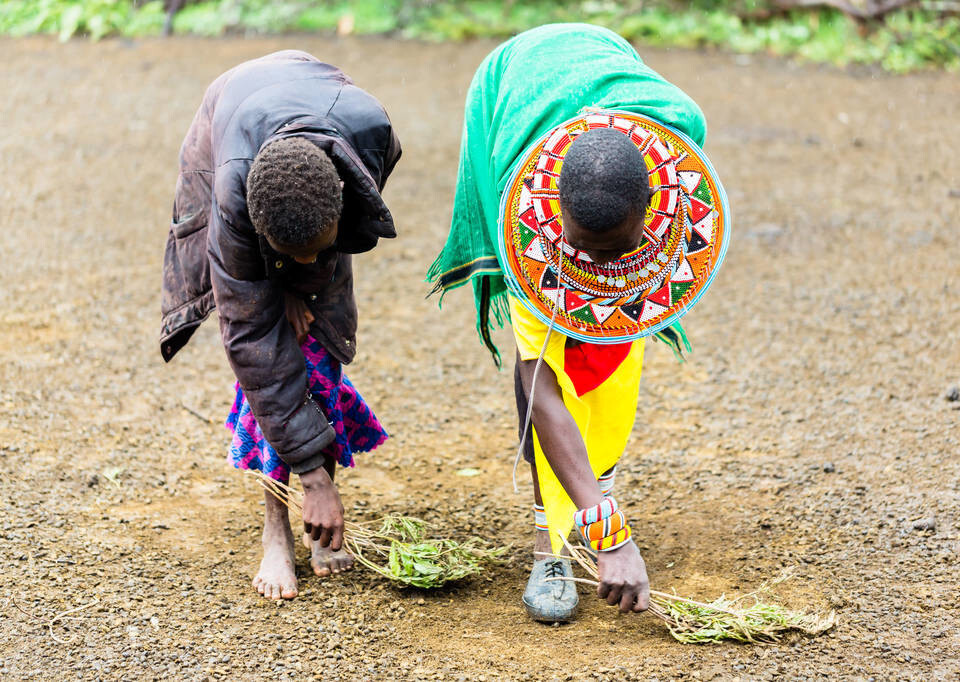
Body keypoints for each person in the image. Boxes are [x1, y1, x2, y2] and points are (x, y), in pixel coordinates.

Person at [428, 24, 730, 622]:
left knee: (619, 340)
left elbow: (623, 303)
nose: (597, 268)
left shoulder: (675, 154)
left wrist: (600, 509)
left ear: (652, 215)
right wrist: (610, 533)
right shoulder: (524, 222)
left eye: (617, 251)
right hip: (509, 96)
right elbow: (539, 382)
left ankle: (595, 490)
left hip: (604, 64)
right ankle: (551, 545)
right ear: (555, 215)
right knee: (540, 355)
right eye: (583, 249)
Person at [160, 50, 401, 600]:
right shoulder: (232, 203)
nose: (300, 267)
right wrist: (310, 475)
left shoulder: (370, 136)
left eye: (312, 253)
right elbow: (252, 345)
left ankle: (318, 518)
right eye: (282, 256)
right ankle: (278, 526)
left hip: (318, 142)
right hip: (231, 127)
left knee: (321, 354)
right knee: (274, 356)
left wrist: (302, 280)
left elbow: (320, 239)